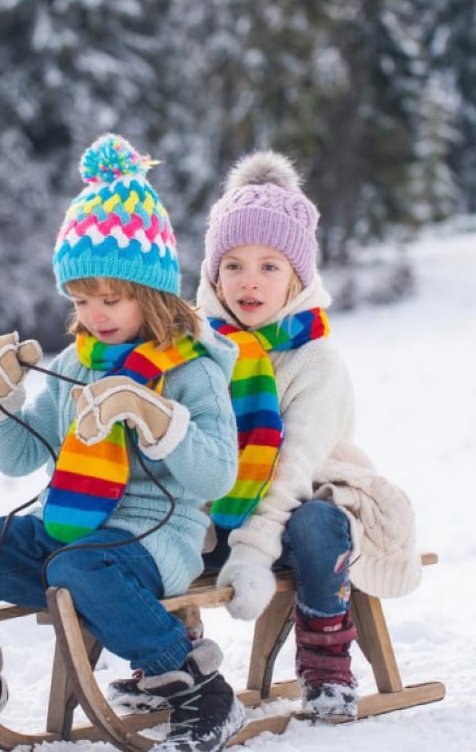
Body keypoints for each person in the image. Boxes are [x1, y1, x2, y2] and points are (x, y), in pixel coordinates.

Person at [0, 134, 248, 752]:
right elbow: (22, 457)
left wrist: (157, 417)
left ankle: (204, 695)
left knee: (78, 567)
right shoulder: (78, 363)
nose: (95, 314)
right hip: (65, 529)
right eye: (80, 298)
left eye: (111, 298)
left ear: (150, 291)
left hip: (154, 538)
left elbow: (217, 476)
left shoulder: (192, 369)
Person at [108, 151, 423, 721]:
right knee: (158, 515)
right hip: (216, 502)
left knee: (319, 524)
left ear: (298, 277)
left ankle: (326, 664)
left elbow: (291, 471)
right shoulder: (193, 348)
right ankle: (171, 663)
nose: (249, 281)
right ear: (211, 273)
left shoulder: (316, 362)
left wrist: (254, 554)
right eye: (234, 266)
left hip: (298, 499)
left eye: (269, 267)